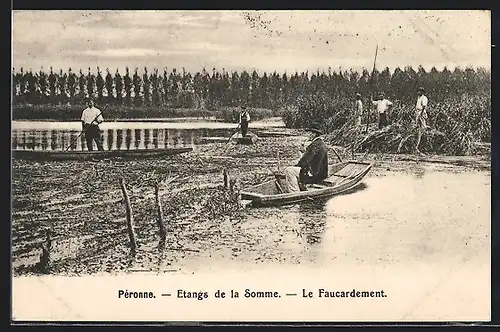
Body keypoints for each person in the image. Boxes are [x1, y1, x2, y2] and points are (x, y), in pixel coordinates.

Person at [283, 123, 328, 193]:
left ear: (313, 134)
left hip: (314, 175)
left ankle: (295, 193)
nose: (307, 135)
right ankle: (301, 186)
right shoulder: (320, 143)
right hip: (322, 174)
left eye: (309, 133)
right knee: (295, 170)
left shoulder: (314, 145)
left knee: (289, 171)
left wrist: (297, 165)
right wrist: (304, 152)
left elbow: (304, 161)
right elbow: (312, 159)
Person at [415, 87, 429, 154]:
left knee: (423, 128)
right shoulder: (418, 98)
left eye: (420, 91)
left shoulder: (424, 98)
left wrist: (421, 114)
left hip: (421, 112)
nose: (418, 92)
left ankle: (422, 146)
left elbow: (423, 106)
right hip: (418, 112)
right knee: (418, 127)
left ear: (422, 92)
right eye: (418, 91)